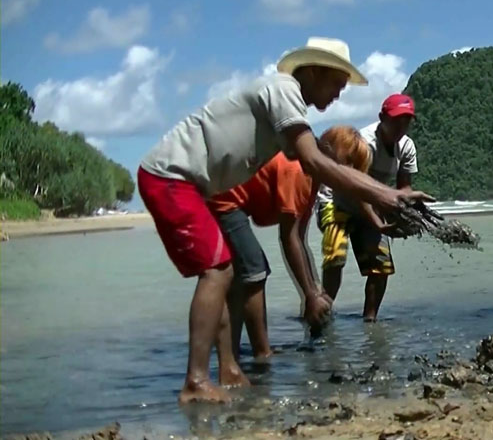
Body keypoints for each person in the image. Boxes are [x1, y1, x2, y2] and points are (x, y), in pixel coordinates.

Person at [138, 37, 431, 404]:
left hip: (198, 186)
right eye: (336, 85)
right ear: (311, 72)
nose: (339, 96)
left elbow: (306, 214)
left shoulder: (291, 122)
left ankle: (228, 368)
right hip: (174, 177)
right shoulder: (284, 90)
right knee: (223, 272)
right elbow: (318, 163)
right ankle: (199, 379)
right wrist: (387, 195)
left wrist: (311, 290)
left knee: (226, 272)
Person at [208, 126, 372, 362]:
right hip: (224, 200)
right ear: (327, 151)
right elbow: (288, 237)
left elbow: (301, 240)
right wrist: (310, 294)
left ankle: (231, 357)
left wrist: (313, 291)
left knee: (240, 279)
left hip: (231, 200)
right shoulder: (299, 169)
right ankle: (261, 353)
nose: (349, 175)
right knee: (255, 271)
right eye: (347, 166)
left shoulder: (314, 179)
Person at [316, 94, 418, 322]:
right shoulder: (364, 142)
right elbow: (355, 188)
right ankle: (321, 314)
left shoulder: (407, 147)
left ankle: (370, 323)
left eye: (406, 121)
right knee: (336, 256)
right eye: (395, 120)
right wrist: (377, 223)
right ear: (382, 118)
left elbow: (404, 188)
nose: (400, 127)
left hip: (372, 205)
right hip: (337, 199)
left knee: (381, 266)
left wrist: (410, 216)